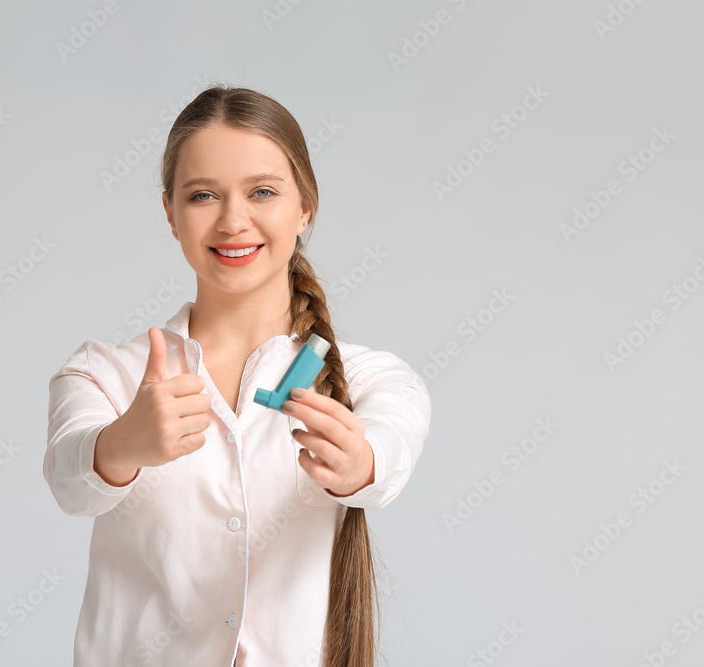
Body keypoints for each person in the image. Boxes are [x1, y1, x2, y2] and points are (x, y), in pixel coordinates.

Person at [44, 84, 431, 666]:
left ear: (305, 209)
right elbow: (68, 480)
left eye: (263, 192)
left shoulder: (375, 378)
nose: (232, 220)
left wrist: (357, 464)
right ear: (171, 214)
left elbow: (388, 454)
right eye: (203, 195)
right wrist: (123, 444)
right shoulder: (104, 374)